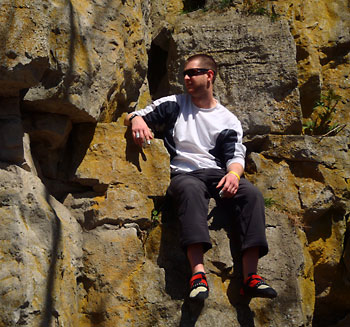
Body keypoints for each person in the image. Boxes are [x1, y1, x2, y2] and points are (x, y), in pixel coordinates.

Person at [124, 54, 277, 301]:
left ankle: (251, 277)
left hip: (217, 174)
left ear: (209, 75)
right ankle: (198, 275)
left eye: (192, 73)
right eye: (184, 73)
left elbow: (235, 155)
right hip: (184, 173)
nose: (186, 78)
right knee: (190, 190)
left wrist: (234, 175)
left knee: (252, 194)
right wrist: (136, 120)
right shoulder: (174, 104)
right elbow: (133, 114)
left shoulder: (227, 119)